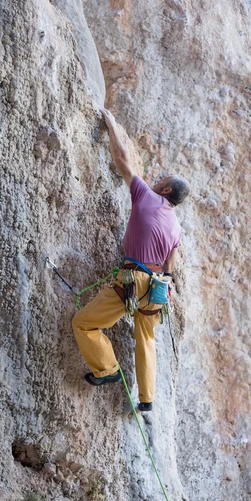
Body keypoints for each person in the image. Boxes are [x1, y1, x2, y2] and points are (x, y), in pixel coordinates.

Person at [72, 108, 189, 412]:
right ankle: (147, 400)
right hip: (158, 288)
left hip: (133, 280)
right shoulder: (176, 227)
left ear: (164, 190)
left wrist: (111, 125)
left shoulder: (147, 197)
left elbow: (123, 160)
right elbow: (169, 267)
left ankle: (108, 369)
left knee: (83, 323)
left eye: (161, 179)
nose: (156, 179)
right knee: (146, 339)